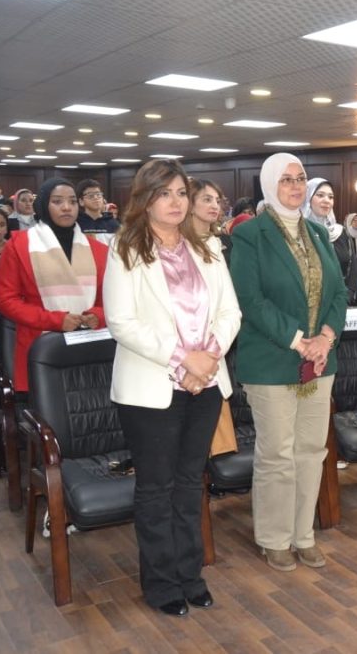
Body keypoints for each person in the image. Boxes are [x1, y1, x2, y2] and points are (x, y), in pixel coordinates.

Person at [104, 159, 241, 617]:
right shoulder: (125, 248)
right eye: (165, 193)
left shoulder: (207, 247)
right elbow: (122, 322)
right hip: (151, 387)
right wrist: (184, 358)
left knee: (189, 483)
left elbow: (231, 312)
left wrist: (207, 358)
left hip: (205, 384)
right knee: (156, 487)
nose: (176, 202)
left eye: (182, 192)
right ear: (145, 199)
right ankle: (162, 583)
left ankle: (190, 575)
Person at [229, 153, 347, 572]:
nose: (296, 186)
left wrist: (326, 338)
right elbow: (250, 299)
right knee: (277, 453)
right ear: (268, 185)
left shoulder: (317, 232)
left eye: (300, 178)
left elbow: (339, 291)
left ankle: (303, 534)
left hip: (320, 361)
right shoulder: (250, 235)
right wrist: (299, 341)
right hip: (272, 359)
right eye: (286, 180)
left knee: (311, 450)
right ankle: (274, 538)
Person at [0, 178, 108, 394]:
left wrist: (98, 315)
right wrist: (55, 320)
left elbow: (111, 300)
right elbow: (7, 301)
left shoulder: (98, 249)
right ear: (44, 205)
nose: (66, 207)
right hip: (40, 348)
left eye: (72, 201)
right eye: (57, 201)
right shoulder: (19, 245)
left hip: (91, 346)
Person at [189, 178, 231, 264]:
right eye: (207, 200)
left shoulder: (223, 241)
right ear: (190, 206)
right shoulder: (180, 245)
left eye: (218, 201)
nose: (215, 206)